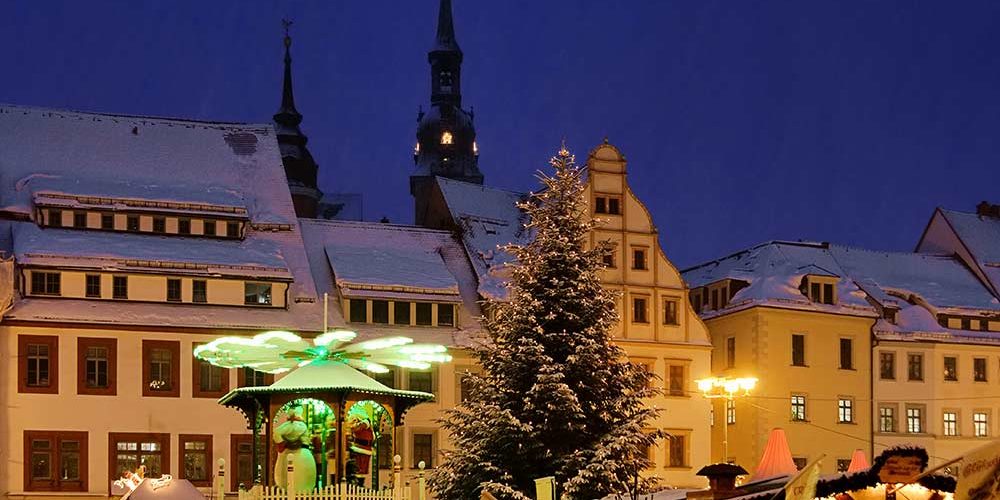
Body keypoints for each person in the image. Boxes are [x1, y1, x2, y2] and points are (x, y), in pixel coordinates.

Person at [273, 406, 317, 492]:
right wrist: (282, 444)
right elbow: (277, 432)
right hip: (299, 455)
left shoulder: (292, 425)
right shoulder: (298, 425)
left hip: (294, 454)